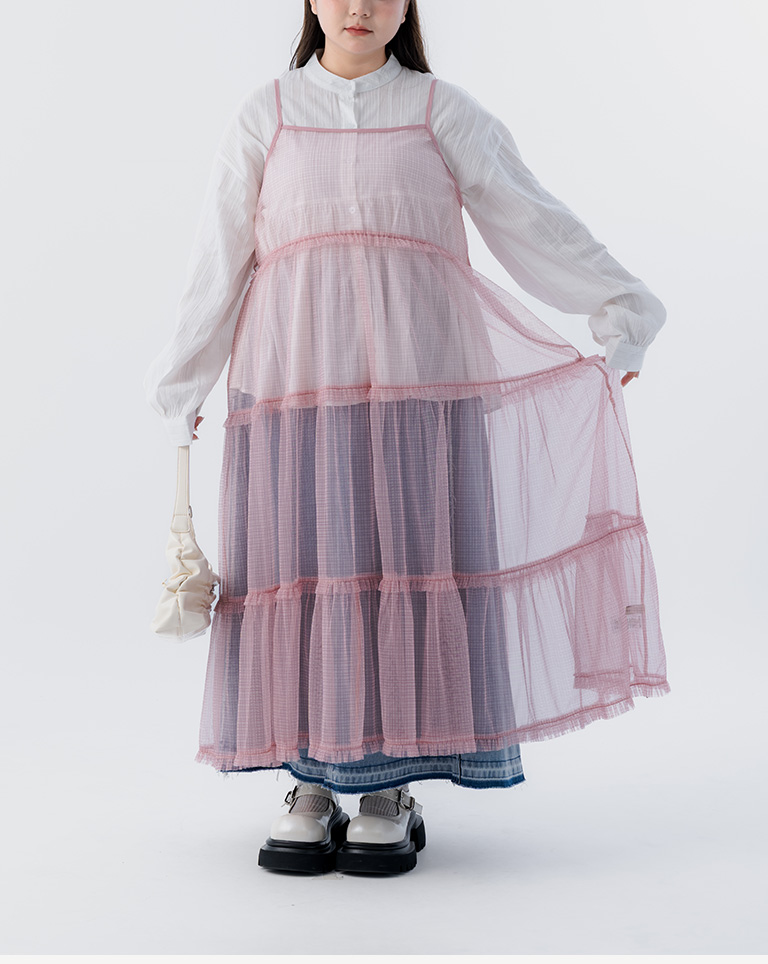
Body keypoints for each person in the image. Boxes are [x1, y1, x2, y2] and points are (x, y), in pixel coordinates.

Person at [143, 0, 670, 877]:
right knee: (308, 574)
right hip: (298, 390)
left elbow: (532, 219)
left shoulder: (440, 110)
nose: (359, 8)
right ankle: (310, 781)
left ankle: (390, 788)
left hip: (423, 390)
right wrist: (181, 383)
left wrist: (623, 310)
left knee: (407, 572)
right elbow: (219, 257)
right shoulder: (266, 113)